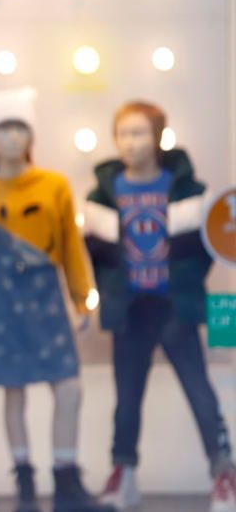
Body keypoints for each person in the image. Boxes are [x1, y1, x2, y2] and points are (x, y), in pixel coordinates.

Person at [0, 88, 110, 512]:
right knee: (14, 393)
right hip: (0, 309)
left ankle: (66, 481)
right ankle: (24, 483)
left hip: (46, 304)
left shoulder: (54, 185)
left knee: (69, 389)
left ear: (32, 134)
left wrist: (82, 301)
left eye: (20, 127)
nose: (12, 137)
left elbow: (72, 248)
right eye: (3, 128)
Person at [84, 101, 236, 512]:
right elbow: (96, 259)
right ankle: (122, 473)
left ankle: (224, 475)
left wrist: (184, 288)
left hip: (175, 308)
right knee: (127, 399)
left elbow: (208, 248)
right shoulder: (100, 198)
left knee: (200, 392)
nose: (132, 143)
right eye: (124, 134)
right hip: (129, 311)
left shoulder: (189, 191)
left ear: (158, 136)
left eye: (141, 133)